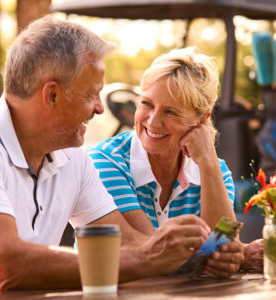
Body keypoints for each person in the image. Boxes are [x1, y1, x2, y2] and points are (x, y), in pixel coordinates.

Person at [0, 15, 243, 295]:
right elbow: (7, 266)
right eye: (91, 94)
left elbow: (131, 243)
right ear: (53, 95)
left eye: (171, 111)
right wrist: (172, 256)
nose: (100, 108)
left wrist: (229, 253)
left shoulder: (73, 158)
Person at [90, 47, 263, 270]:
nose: (152, 122)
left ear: (202, 120)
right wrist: (241, 254)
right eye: (146, 104)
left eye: (171, 112)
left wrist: (208, 163)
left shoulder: (216, 171)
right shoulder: (105, 161)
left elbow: (223, 245)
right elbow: (151, 253)